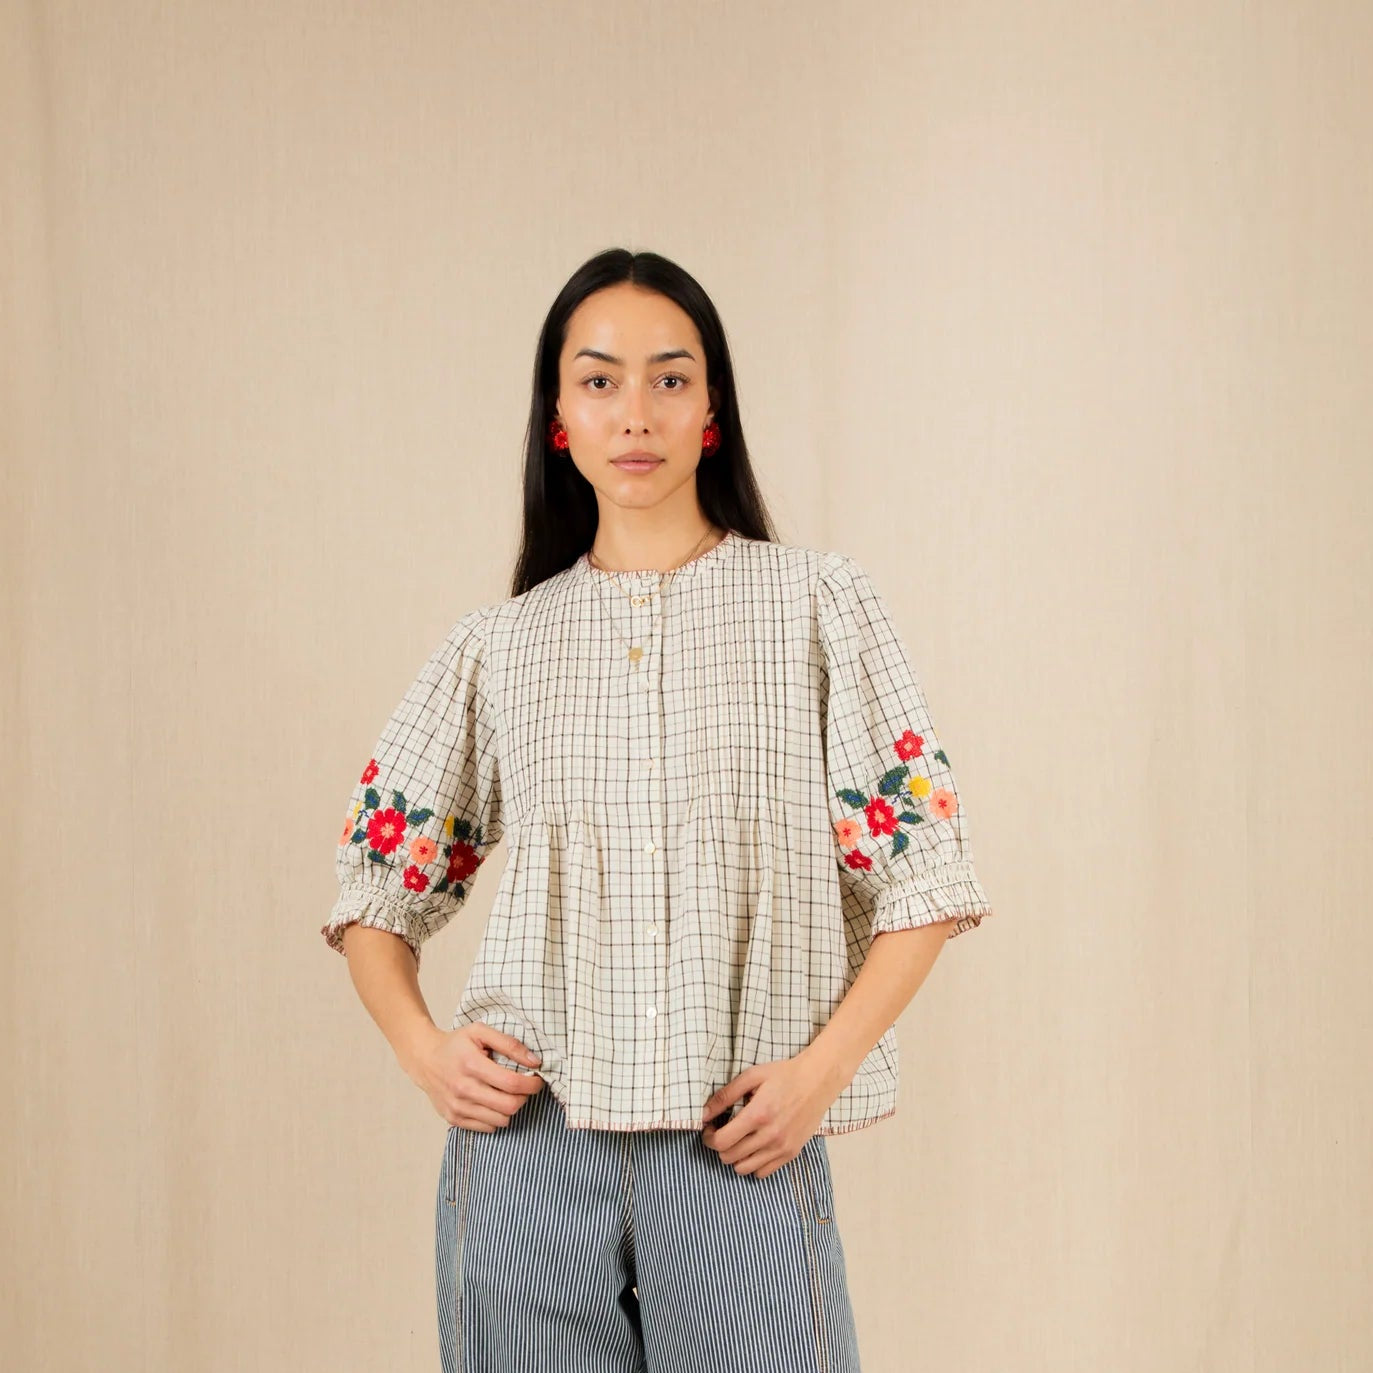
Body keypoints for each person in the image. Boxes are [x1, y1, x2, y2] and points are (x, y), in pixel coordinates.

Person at [321, 247, 995, 1373]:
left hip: (742, 1143)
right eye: (598, 380)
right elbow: (372, 892)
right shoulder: (499, 645)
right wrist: (426, 1051)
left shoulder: (815, 605)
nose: (634, 412)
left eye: (668, 379)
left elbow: (921, 876)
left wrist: (815, 1074)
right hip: (525, 1154)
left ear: (711, 412)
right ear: (557, 419)